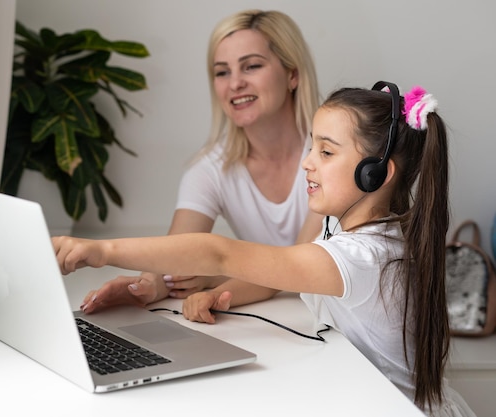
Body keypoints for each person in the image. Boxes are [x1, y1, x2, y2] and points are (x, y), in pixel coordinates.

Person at [53, 82, 476, 416]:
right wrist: (221, 295)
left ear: (376, 173)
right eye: (312, 146)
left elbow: (219, 253)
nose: (308, 162)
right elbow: (276, 276)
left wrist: (103, 250)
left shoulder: (362, 258)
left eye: (326, 151)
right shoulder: (349, 224)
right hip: (359, 395)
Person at [78, 9, 324, 314]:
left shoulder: (331, 154)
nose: (235, 84)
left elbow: (297, 265)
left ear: (293, 74)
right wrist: (146, 286)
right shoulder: (211, 168)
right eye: (222, 72)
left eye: (252, 66)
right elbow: (177, 251)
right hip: (284, 320)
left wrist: (219, 275)